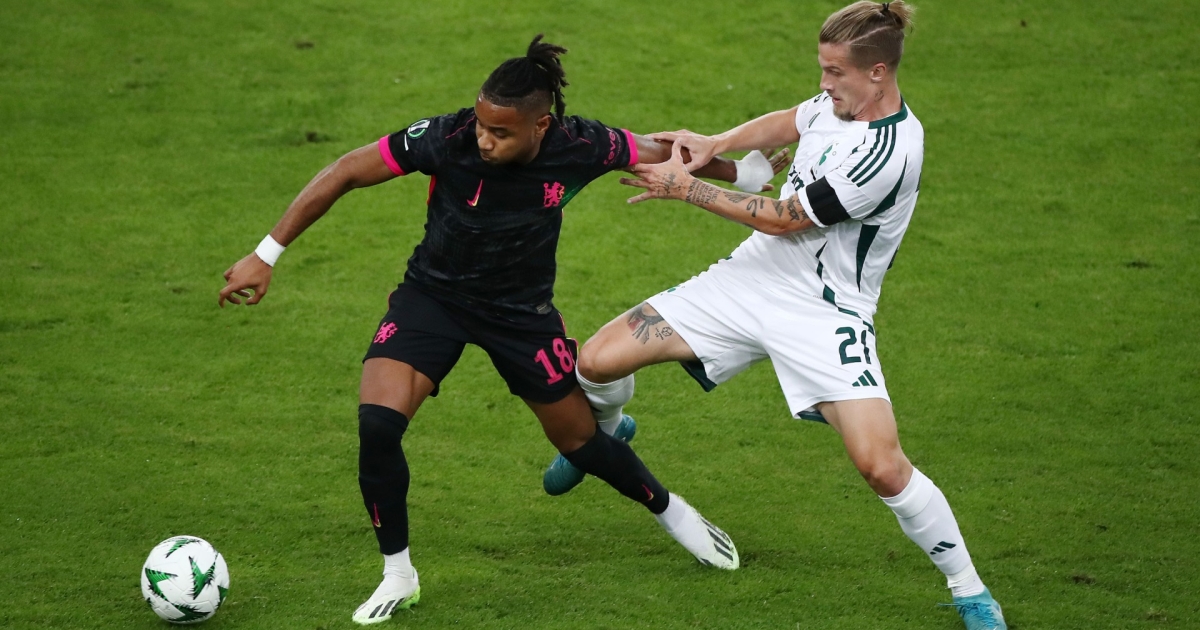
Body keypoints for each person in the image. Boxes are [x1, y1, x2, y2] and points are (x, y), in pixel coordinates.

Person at [218, 36, 786, 625]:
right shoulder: (446, 136)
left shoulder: (581, 144)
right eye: (481, 125)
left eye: (500, 132)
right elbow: (345, 171)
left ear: (541, 125)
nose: (483, 140)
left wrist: (743, 173)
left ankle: (674, 513)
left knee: (581, 444)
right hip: (432, 299)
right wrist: (265, 254)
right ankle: (398, 574)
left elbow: (660, 150)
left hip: (520, 315)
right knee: (378, 426)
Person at [544, 3, 1008, 629]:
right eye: (822, 68)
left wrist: (688, 187)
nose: (823, 82)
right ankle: (605, 436)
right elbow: (792, 119)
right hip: (750, 279)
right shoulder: (839, 103)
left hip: (825, 312)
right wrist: (717, 142)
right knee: (596, 362)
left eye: (834, 72)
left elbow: (785, 219)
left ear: (877, 72)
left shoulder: (889, 151)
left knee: (880, 465)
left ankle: (969, 590)